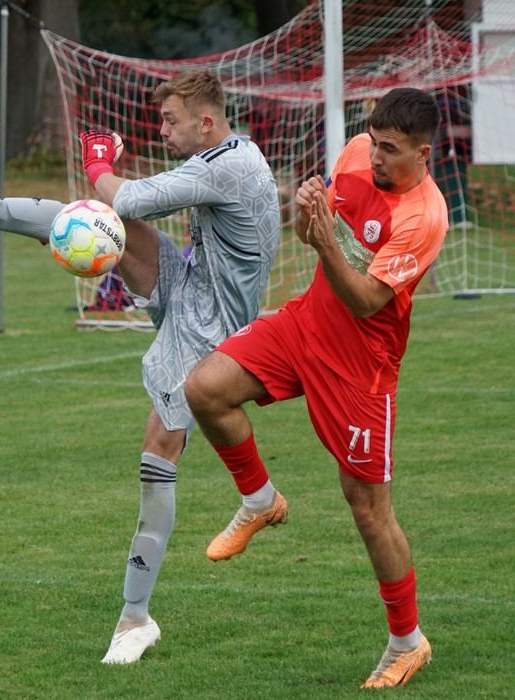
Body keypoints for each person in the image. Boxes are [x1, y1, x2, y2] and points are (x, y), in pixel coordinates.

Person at [0, 68, 281, 664]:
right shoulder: (229, 154)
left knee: (158, 449)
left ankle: (135, 619)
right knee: (102, 224)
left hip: (210, 328)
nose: (164, 131)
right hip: (191, 286)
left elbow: (125, 194)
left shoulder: (227, 165)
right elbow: (120, 209)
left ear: (206, 122)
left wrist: (99, 159)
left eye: (171, 121)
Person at [184, 87, 448, 689]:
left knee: (368, 508)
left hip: (361, 367)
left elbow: (366, 300)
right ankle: (260, 500)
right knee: (205, 389)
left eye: (391, 149)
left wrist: (325, 237)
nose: (376, 157)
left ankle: (407, 642)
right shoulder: (354, 154)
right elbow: (311, 235)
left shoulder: (424, 217)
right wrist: (306, 212)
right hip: (306, 324)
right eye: (374, 142)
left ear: (423, 154)